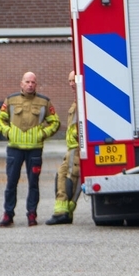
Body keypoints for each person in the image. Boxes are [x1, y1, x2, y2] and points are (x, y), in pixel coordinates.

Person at [0, 71, 60, 227]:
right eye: (27, 82)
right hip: (14, 149)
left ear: (36, 84)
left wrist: (43, 134)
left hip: (34, 149)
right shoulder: (11, 100)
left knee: (33, 184)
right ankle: (8, 214)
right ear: (21, 83)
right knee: (11, 183)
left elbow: (55, 122)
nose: (30, 85)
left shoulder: (44, 102)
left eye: (33, 82)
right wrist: (8, 132)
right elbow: (0, 119)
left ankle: (32, 214)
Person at [46, 71, 80, 225]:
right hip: (71, 149)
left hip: (77, 149)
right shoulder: (76, 101)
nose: (71, 84)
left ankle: (65, 212)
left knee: (71, 179)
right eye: (69, 81)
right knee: (61, 175)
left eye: (73, 80)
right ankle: (61, 211)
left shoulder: (84, 100)